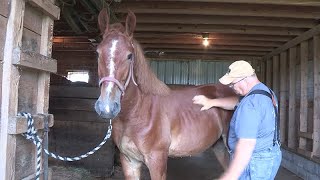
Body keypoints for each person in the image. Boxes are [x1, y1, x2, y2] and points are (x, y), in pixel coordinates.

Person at [192, 60, 282, 180]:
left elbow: (246, 145)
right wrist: (211, 102)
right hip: (268, 156)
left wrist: (229, 176)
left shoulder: (250, 105)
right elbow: (237, 102)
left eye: (232, 84)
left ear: (244, 79)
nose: (231, 88)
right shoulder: (265, 92)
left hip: (253, 164)